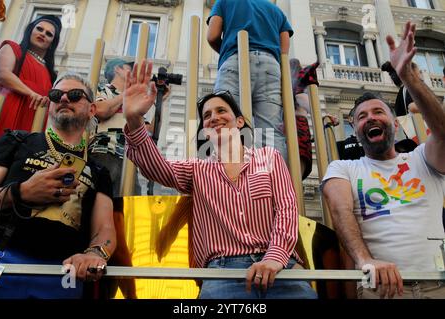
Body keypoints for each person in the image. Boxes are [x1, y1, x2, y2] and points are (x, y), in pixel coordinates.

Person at [121, 60, 316, 299]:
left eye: (221, 111)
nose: (214, 117)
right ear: (204, 130)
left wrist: (274, 258)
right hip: (222, 274)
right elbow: (156, 168)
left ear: (240, 121)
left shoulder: (269, 157)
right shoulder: (197, 169)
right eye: (207, 115)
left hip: (281, 269)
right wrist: (133, 119)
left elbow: (287, 209)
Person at [321, 21, 445, 299]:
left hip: (437, 283)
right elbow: (340, 213)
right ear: (354, 130)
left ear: (395, 123)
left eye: (378, 112)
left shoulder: (422, 159)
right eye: (361, 117)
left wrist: (408, 78)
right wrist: (365, 261)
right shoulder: (343, 168)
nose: (370, 118)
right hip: (380, 288)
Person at [0, 73, 116, 299]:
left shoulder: (99, 171)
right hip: (3, 259)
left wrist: (94, 254)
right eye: (56, 95)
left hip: (64, 274)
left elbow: (105, 228)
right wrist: (21, 192)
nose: (63, 99)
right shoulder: (17, 141)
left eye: (74, 95)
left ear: (91, 110)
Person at [207, 0, 293, 163]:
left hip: (235, 59)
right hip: (270, 65)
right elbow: (284, 51)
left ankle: (224, 179)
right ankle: (272, 180)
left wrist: (227, 51)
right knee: (270, 131)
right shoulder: (276, 11)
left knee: (225, 123)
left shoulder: (225, 2)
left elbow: (212, 36)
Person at [88, 58, 138, 299]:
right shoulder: (102, 89)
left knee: (124, 228)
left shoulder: (135, 96)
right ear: (118, 69)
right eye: (131, 68)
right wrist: (126, 95)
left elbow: (148, 131)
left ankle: (116, 289)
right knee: (109, 221)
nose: (135, 73)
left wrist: (161, 101)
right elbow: (101, 110)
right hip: (104, 156)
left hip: (130, 161)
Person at [0, 15, 62, 140]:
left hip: (34, 119)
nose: (42, 34)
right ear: (30, 30)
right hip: (8, 109)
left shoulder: (50, 72)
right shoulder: (12, 47)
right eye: (39, 29)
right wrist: (32, 94)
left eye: (49, 34)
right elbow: (2, 73)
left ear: (52, 43)